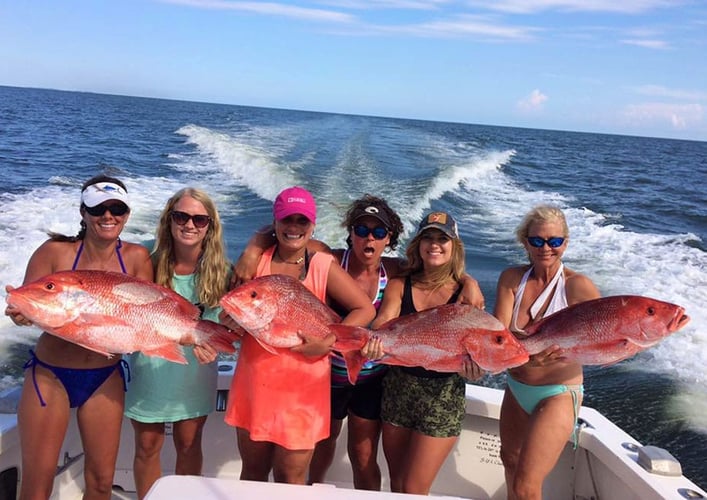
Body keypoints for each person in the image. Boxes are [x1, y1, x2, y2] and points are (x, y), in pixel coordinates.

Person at [234, 195, 484, 490]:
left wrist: (469, 281)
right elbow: (289, 235)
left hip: (371, 379)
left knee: (363, 456)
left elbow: (436, 264)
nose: (369, 238)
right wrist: (252, 248)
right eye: (361, 230)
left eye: (378, 233)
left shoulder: (394, 271)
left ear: (389, 238)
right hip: (328, 376)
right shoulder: (328, 258)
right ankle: (315, 491)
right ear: (350, 233)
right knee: (321, 449)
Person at [4, 175, 153, 500]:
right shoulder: (54, 252)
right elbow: (28, 303)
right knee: (36, 485)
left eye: (117, 209)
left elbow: (146, 316)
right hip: (50, 375)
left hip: (104, 376)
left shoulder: (138, 258)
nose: (108, 216)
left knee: (101, 483)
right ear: (83, 213)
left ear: (127, 215)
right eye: (98, 209)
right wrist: (20, 313)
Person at [221, 186, 376, 485]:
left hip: (303, 392)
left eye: (301, 221)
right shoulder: (254, 263)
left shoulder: (322, 264)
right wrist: (231, 323)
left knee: (290, 477)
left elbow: (364, 309)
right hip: (255, 385)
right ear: (275, 223)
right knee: (251, 474)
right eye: (286, 220)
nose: (294, 227)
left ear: (312, 225)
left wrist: (329, 341)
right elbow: (238, 319)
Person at [124, 188, 232, 499]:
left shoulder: (222, 272)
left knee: (188, 443)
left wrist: (217, 345)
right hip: (150, 367)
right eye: (181, 216)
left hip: (194, 369)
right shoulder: (144, 262)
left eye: (200, 219)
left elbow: (225, 326)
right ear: (169, 220)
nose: (189, 225)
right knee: (147, 445)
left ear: (210, 226)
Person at [370, 211, 485, 495]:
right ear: (418, 245)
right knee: (397, 484)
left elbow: (480, 347)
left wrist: (477, 368)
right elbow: (382, 324)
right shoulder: (400, 284)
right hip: (398, 389)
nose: (435, 245)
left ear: (454, 246)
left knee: (413, 488)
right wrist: (371, 343)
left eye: (442, 239)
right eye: (428, 238)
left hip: (443, 397)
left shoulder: (465, 294)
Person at [493, 204, 600, 500]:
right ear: (525, 241)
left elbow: (604, 333)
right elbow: (499, 337)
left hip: (558, 392)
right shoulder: (511, 279)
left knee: (527, 485)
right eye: (537, 240)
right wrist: (527, 358)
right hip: (516, 387)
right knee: (510, 462)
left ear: (565, 243)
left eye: (554, 241)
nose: (546, 248)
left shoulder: (578, 286)